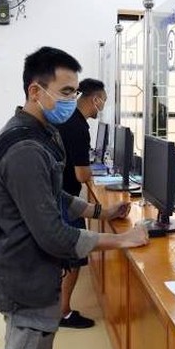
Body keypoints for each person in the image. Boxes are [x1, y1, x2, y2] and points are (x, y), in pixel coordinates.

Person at [0, 46, 149, 349]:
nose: (74, 99)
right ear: (35, 91)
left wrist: (102, 212)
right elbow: (55, 235)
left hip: (30, 271)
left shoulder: (40, 132)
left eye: (75, 91)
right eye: (67, 91)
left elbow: (56, 196)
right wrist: (122, 240)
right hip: (23, 277)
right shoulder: (26, 148)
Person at [56, 78, 107, 329]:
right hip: (66, 199)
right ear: (94, 99)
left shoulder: (69, 121)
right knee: (72, 260)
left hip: (61, 196)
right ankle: (63, 312)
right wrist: (92, 173)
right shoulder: (78, 127)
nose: (103, 106)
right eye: (103, 101)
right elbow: (81, 175)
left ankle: (58, 308)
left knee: (67, 259)